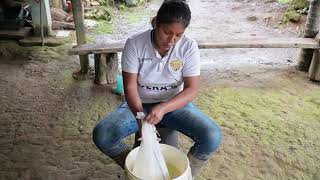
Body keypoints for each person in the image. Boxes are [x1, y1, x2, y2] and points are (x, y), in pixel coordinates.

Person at [93, 0, 222, 178]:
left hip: (174, 105)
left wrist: (163, 108)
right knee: (103, 135)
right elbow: (130, 87)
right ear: (156, 24)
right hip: (140, 105)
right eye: (167, 32)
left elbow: (192, 89)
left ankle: (187, 175)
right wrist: (140, 117)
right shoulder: (135, 44)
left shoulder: (188, 47)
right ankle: (136, 168)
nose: (172, 40)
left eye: (179, 35)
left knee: (212, 136)